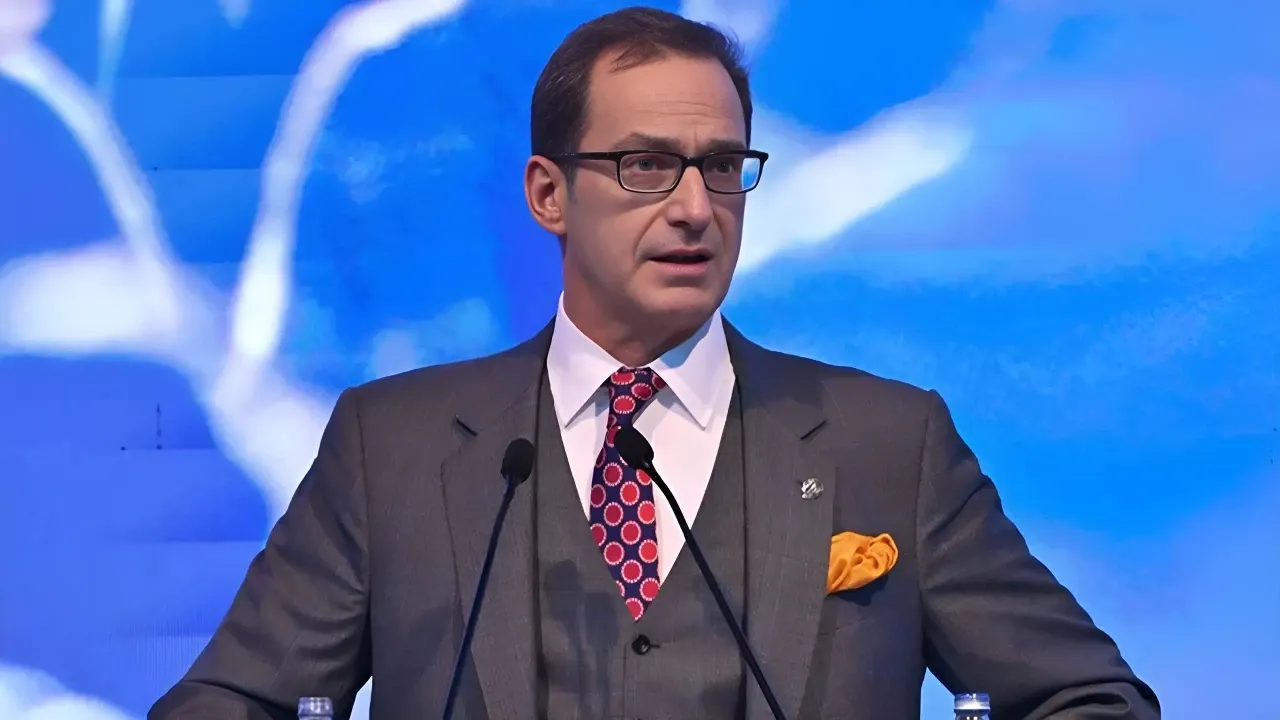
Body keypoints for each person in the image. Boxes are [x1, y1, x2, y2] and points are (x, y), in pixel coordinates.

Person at [150, 6, 1160, 719]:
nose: (693, 208)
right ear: (547, 195)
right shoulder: (394, 446)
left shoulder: (888, 444)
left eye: (720, 167)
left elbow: (1089, 699)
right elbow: (227, 703)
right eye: (645, 166)